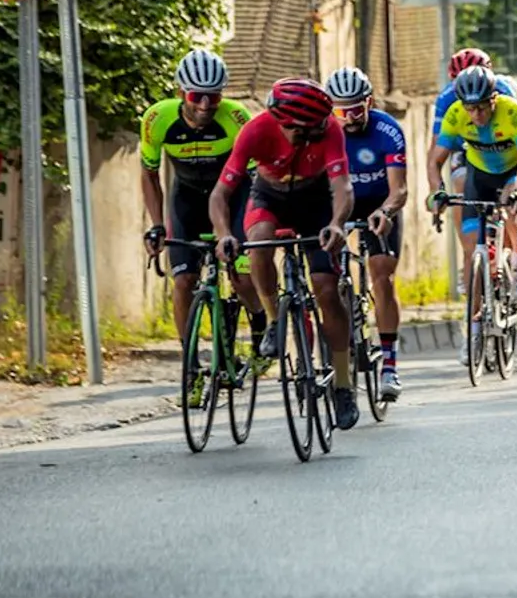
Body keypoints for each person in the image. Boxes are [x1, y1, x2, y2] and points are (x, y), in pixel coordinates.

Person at [210, 78, 359, 430]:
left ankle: (342, 383)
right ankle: (275, 320)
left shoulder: (330, 130)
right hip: (269, 196)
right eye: (309, 129)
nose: (318, 132)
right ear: (285, 123)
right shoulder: (255, 131)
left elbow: (342, 186)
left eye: (321, 125)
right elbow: (220, 194)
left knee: (325, 288)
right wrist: (223, 235)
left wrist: (337, 224)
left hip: (315, 202)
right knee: (258, 240)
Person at [139, 50, 267, 358]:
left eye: (213, 96)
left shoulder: (236, 118)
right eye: (196, 95)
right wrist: (156, 225)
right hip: (187, 201)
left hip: (232, 198)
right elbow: (149, 174)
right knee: (183, 280)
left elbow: (257, 180)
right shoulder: (157, 119)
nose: (205, 105)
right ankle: (191, 364)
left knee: (243, 275)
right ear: (181, 92)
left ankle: (262, 330)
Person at [427, 66, 517, 348]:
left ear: (494, 100)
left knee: (516, 210)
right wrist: (437, 192)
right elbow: (435, 160)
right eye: (470, 108)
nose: (477, 115)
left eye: (482, 107)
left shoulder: (512, 112)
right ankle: (474, 329)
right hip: (480, 176)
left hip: (514, 172)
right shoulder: (455, 114)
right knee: (475, 249)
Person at [324, 67, 408, 398]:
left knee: (381, 275)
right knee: (326, 281)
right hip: (338, 204)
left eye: (356, 109)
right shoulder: (325, 131)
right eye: (340, 111)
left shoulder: (387, 129)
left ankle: (389, 365)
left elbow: (399, 190)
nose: (348, 118)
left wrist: (386, 212)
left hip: (377, 204)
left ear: (369, 103)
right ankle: (338, 364)